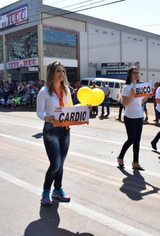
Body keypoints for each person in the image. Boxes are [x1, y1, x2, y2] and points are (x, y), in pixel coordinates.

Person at [36, 60, 91, 206]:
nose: (62, 74)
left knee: (61, 164)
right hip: (51, 130)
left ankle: (58, 190)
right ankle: (45, 192)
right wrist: (46, 117)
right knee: (55, 164)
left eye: (63, 71)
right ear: (52, 73)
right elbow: (39, 112)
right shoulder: (44, 92)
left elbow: (70, 109)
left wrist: (85, 108)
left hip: (65, 130)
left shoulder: (67, 90)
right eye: (58, 71)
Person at [117, 66, 148, 170]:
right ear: (130, 75)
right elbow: (125, 103)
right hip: (130, 116)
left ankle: (135, 162)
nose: (136, 74)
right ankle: (121, 156)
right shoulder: (126, 88)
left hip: (139, 115)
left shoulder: (139, 87)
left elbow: (140, 102)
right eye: (134, 72)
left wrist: (147, 96)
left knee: (137, 140)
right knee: (131, 139)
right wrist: (131, 94)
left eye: (138, 72)